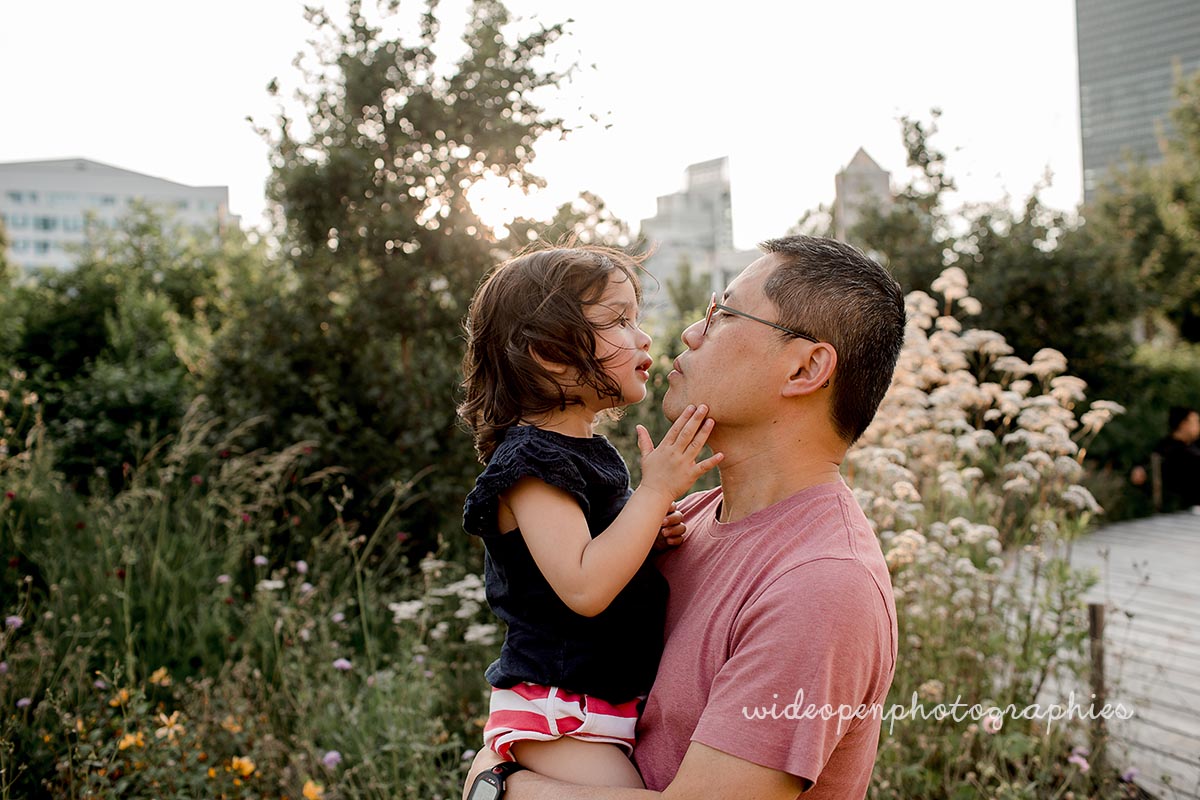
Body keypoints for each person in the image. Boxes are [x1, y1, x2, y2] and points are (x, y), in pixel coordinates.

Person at [464, 235, 905, 800]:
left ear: (804, 368)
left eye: (722, 314)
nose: (689, 333)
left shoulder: (821, 585)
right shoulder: (681, 521)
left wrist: (498, 788)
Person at [458, 245, 725, 788]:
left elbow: (594, 548)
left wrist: (647, 531)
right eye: (619, 321)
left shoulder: (590, 453)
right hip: (560, 711)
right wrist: (653, 495)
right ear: (551, 353)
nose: (643, 337)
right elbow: (583, 585)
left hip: (598, 705)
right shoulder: (531, 464)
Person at [1132, 406, 1200, 510]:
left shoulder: (1192, 447)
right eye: (1195, 422)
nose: (1198, 426)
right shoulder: (1166, 450)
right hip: (1176, 512)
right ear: (1184, 424)